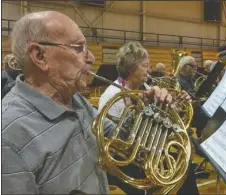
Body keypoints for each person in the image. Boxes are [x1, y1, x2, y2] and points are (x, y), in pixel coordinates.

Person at [1, 11, 177, 195]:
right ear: (40, 56)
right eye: (79, 48)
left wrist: (147, 110)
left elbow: (117, 136)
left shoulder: (75, 99)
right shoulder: (8, 135)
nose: (91, 58)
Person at [98, 41, 199, 195]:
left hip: (147, 154)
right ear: (131, 67)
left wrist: (176, 107)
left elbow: (160, 121)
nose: (149, 69)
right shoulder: (112, 95)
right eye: (145, 65)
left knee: (186, 169)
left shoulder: (145, 88)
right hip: (126, 162)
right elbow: (111, 143)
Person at [177, 56, 210, 138]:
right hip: (190, 114)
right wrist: (193, 102)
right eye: (193, 66)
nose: (196, 68)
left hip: (197, 107)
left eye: (196, 66)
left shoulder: (192, 78)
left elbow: (196, 94)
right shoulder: (178, 82)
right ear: (185, 66)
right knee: (209, 117)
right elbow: (181, 105)